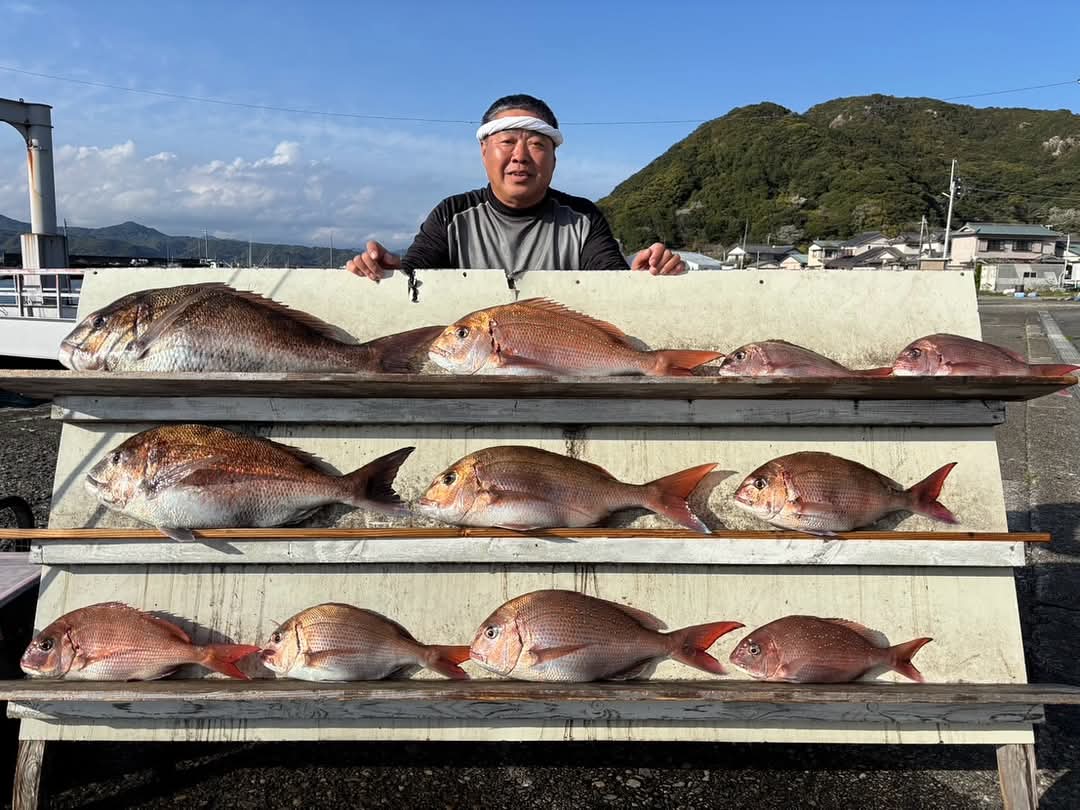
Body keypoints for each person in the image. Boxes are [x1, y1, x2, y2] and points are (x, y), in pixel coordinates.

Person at [346, 93, 685, 281]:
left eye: (537, 144)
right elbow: (416, 274)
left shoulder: (583, 217)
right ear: (484, 152)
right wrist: (385, 271)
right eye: (507, 141)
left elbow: (611, 280)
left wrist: (642, 279)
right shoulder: (452, 214)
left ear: (554, 157)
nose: (520, 156)